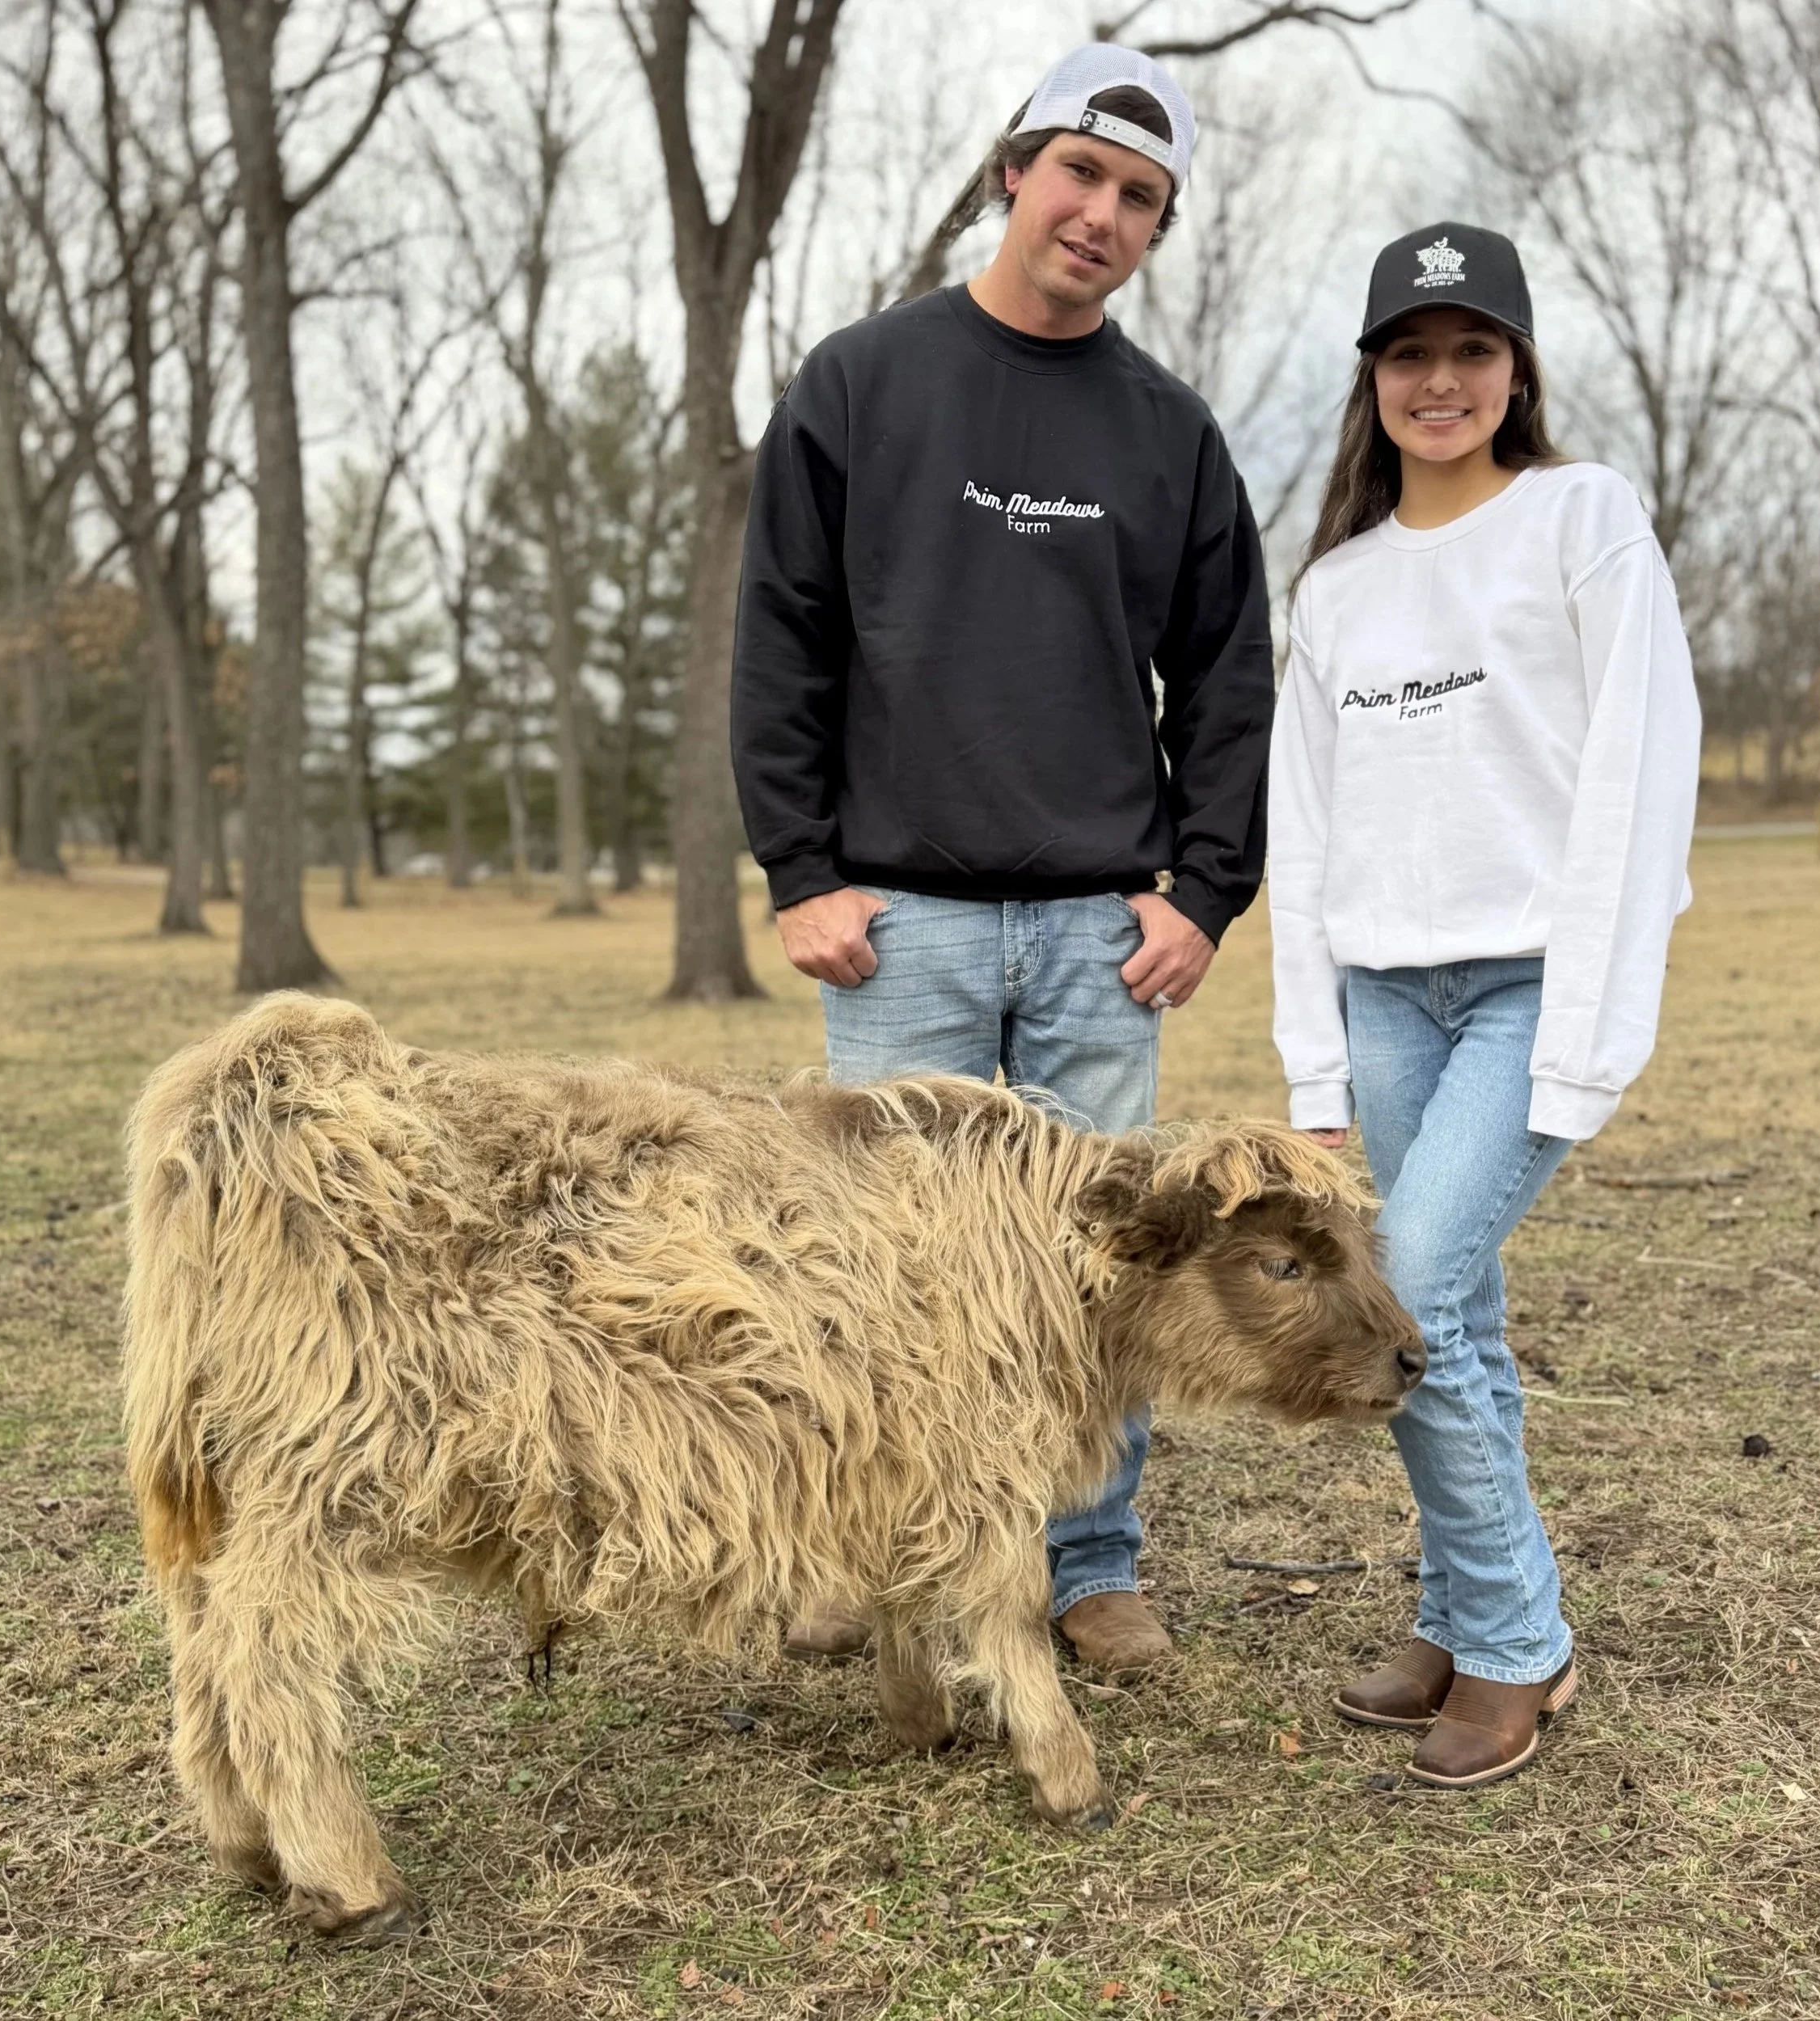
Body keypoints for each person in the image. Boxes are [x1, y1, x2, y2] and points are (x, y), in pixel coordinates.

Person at [730, 44, 1274, 1678]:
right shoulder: (861, 384)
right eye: (1080, 175)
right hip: (904, 928)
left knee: (1099, 1276)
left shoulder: (1168, 434)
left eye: (1139, 201)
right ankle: (885, 1559)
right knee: (883, 1273)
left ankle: (1087, 1567)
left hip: (1096, 938)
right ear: (1011, 174)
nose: (1100, 216)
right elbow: (781, 642)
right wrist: (801, 866)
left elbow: (1231, 677)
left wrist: (1198, 891)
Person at [1268, 222, 1701, 1787]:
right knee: (1458, 1320)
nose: (1437, 380)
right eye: (1407, 353)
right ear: (1371, 379)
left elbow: (1639, 778)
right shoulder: (1333, 585)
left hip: (1530, 980)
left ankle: (1519, 1639)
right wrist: (1310, 1059)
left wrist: (1588, 1025)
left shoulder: (1580, 520)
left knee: (1405, 1304)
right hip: (1381, 996)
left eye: (1468, 350)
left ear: (1514, 370)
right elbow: (1300, 835)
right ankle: (1455, 1615)